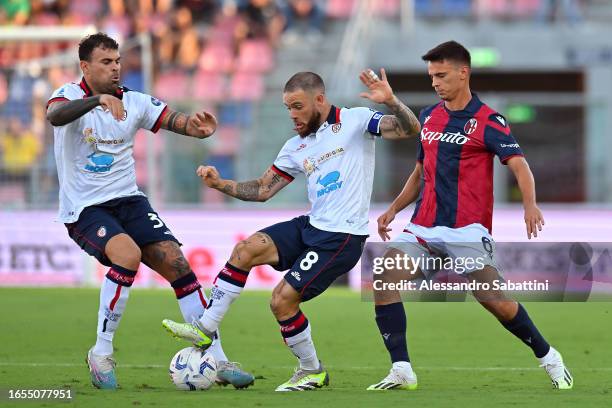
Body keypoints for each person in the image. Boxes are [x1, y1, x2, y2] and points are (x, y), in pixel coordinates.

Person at [162, 70, 422, 391]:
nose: (292, 115)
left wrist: (392, 102)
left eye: (298, 106)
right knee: (246, 250)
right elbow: (262, 189)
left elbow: (410, 128)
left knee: (281, 301)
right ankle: (206, 326)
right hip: (312, 225)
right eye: (288, 108)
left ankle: (311, 370)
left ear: (320, 100)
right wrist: (219, 184)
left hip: (341, 237)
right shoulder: (296, 146)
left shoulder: (356, 121)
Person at [46, 32, 254, 390]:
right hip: (85, 208)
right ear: (85, 66)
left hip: (129, 200)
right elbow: (54, 116)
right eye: (105, 62)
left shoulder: (136, 102)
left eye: (117, 61)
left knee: (176, 262)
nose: (115, 68)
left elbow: (177, 120)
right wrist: (96, 100)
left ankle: (215, 359)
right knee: (125, 254)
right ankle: (101, 352)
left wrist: (197, 128)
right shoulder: (69, 96)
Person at [367, 41, 573, 391]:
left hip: (467, 231)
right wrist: (393, 209)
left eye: (442, 75)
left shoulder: (489, 121)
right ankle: (402, 370)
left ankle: (549, 356)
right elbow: (420, 172)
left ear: (464, 73)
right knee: (384, 278)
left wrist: (530, 204)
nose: (435, 82)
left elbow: (520, 166)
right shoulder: (430, 116)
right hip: (423, 228)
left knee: (499, 306)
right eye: (431, 76)